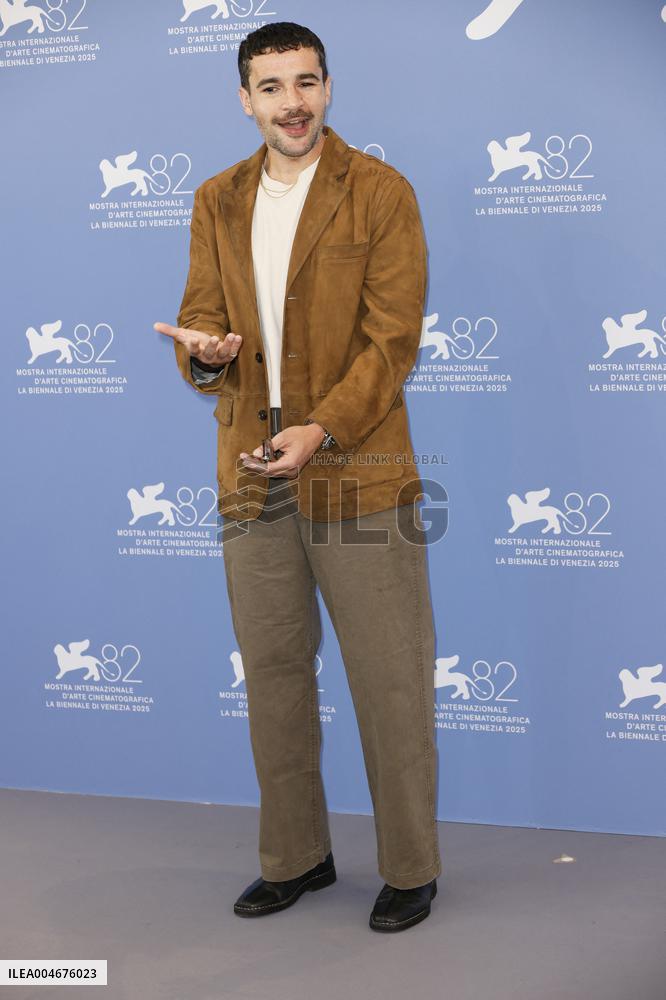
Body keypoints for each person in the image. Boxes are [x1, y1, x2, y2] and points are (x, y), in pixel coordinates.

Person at [154, 21, 442, 933]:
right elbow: (201, 319)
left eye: (306, 82)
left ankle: (410, 868)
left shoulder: (380, 192)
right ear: (246, 100)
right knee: (274, 671)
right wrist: (206, 353)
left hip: (358, 467)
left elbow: (393, 339)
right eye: (272, 87)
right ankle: (296, 858)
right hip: (250, 472)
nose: (293, 102)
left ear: (328, 88)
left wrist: (322, 428)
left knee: (390, 678)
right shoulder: (216, 198)